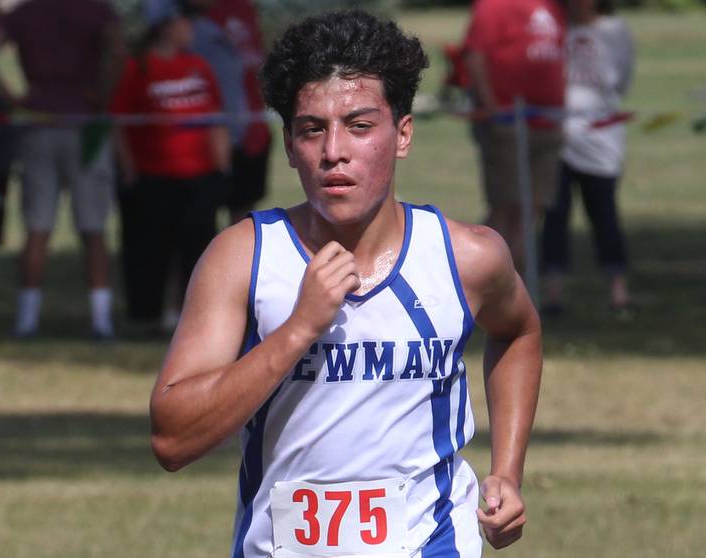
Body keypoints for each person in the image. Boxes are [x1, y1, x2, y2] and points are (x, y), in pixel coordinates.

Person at [149, 10, 542, 558]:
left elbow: (519, 331)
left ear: (402, 134)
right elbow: (172, 439)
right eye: (313, 129)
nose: (334, 150)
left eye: (359, 126)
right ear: (289, 145)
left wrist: (507, 470)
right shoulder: (244, 258)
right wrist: (296, 331)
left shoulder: (466, 257)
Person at [0, 0, 124, 338]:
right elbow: (119, 51)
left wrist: (11, 99)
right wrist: (103, 94)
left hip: (39, 123)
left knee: (37, 228)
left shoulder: (26, 13)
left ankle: (26, 322)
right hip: (84, 127)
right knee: (93, 228)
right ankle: (101, 322)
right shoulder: (96, 11)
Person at [111, 1, 229, 331]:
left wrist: (221, 167)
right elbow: (120, 123)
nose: (191, 29)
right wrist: (130, 169)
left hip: (198, 175)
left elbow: (214, 120)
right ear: (164, 27)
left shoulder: (198, 66)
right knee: (152, 252)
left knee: (197, 251)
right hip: (154, 176)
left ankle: (190, 317)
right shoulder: (139, 68)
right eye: (183, 23)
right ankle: (150, 316)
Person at [541, 0, 634, 316]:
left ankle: (618, 291)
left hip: (601, 142)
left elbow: (622, 80)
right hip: (557, 139)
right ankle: (553, 294)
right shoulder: (551, 27)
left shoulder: (615, 31)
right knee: (554, 216)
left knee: (604, 214)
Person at [462, 0, 565, 276]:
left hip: (546, 122)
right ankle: (478, 276)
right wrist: (493, 107)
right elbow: (474, 56)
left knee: (534, 205)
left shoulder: (550, 6)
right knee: (506, 203)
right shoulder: (493, 6)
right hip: (508, 123)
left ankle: (511, 278)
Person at [205, 0, 272, 224]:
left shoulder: (244, 9)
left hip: (251, 127)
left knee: (243, 208)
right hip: (214, 131)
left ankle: (239, 256)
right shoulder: (198, 19)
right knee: (201, 211)